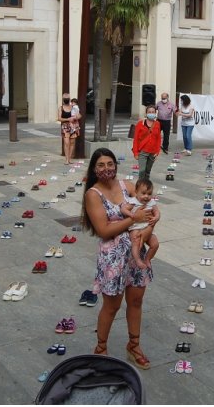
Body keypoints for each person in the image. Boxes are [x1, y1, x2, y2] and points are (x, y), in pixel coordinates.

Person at [82, 148, 158, 369]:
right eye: (101, 165)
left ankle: (133, 346)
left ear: (116, 165)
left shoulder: (127, 186)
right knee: (111, 306)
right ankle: (101, 348)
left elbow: (151, 209)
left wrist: (148, 229)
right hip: (113, 258)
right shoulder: (92, 195)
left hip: (136, 254)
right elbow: (104, 230)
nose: (107, 169)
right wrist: (133, 219)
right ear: (94, 170)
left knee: (136, 301)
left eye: (110, 164)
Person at [119, 178, 160, 270]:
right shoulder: (133, 202)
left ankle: (148, 259)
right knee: (135, 242)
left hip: (148, 227)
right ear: (136, 192)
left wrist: (156, 218)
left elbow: (157, 212)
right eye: (143, 193)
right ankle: (138, 260)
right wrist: (131, 215)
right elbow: (123, 209)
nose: (146, 196)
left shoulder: (152, 203)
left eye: (149, 194)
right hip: (136, 227)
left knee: (155, 244)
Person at [132, 105, 162, 181]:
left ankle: (146, 187)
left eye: (153, 112)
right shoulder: (140, 124)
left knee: (147, 172)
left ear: (155, 113)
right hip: (142, 152)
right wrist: (135, 153)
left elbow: (158, 138)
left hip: (152, 152)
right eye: (149, 112)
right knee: (142, 171)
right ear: (146, 113)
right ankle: (140, 187)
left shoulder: (157, 124)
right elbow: (135, 139)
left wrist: (157, 152)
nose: (151, 113)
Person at [58, 92, 80, 165]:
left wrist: (75, 117)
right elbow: (59, 118)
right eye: (65, 99)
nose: (66, 100)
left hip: (73, 126)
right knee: (66, 143)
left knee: (72, 143)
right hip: (65, 127)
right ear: (63, 100)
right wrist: (68, 119)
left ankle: (69, 158)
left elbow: (79, 115)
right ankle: (67, 159)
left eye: (67, 98)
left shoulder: (73, 107)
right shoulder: (61, 108)